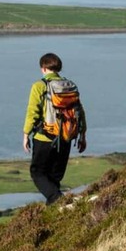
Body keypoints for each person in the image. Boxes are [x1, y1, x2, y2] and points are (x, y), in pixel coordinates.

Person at [23, 52, 86, 205]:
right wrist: (82, 135)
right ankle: (56, 210)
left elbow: (32, 112)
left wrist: (26, 134)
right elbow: (79, 111)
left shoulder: (40, 86)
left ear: (43, 68)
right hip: (66, 136)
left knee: (37, 172)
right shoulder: (70, 85)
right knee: (55, 177)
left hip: (44, 137)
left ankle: (58, 201)